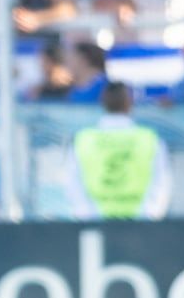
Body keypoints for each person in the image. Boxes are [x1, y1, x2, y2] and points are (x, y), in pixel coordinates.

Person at [66, 81, 171, 220]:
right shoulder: (149, 139)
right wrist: (149, 215)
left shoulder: (83, 140)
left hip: (95, 224)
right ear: (130, 103)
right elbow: (161, 182)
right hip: (140, 225)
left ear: (102, 102)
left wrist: (86, 216)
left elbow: (73, 182)